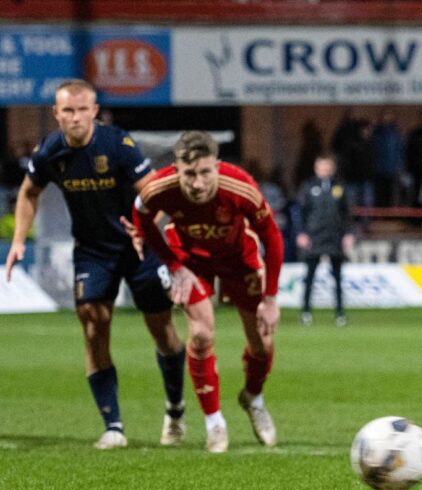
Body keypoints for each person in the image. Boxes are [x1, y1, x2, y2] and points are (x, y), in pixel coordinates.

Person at [4, 79, 186, 449]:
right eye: (67, 111)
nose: (75, 118)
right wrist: (20, 240)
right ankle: (113, 426)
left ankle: (175, 408)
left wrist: (148, 228)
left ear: (94, 111)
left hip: (138, 247)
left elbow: (155, 194)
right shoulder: (50, 152)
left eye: (82, 110)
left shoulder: (119, 145)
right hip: (92, 251)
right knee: (92, 322)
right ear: (56, 114)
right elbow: (28, 192)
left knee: (162, 330)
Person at [132, 130, 284, 453]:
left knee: (263, 341)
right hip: (190, 262)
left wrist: (270, 299)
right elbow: (140, 215)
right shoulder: (160, 188)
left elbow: (272, 237)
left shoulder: (240, 187)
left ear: (217, 165)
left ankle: (253, 398)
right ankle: (214, 423)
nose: (198, 183)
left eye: (205, 172)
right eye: (189, 174)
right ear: (176, 169)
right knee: (200, 336)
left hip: (238, 260)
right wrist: (174, 265)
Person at [292, 154, 355, 327]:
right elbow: (299, 213)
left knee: (338, 278)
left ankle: (340, 313)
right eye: (321, 167)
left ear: (332, 168)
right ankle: (305, 312)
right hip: (314, 238)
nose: (325, 170)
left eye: (327, 167)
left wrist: (348, 234)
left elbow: (347, 214)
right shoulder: (308, 187)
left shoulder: (340, 187)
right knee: (310, 278)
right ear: (316, 168)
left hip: (334, 238)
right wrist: (301, 233)